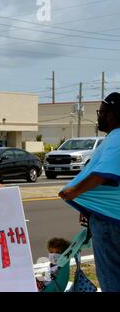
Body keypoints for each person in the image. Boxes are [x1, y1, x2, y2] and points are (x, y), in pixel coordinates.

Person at [59, 92, 120, 292]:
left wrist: (73, 192)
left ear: (112, 114)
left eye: (101, 112)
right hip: (108, 215)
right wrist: (89, 206)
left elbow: (104, 173)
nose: (98, 116)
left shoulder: (116, 137)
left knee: (111, 278)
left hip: (110, 222)